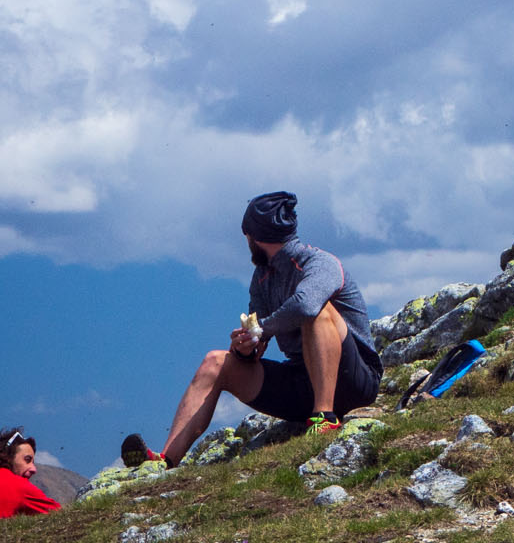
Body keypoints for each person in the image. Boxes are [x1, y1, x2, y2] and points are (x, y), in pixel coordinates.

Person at [123, 192, 383, 469]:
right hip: (301, 381)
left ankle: (324, 418)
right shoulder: (262, 279)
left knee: (316, 311)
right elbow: (259, 338)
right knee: (216, 361)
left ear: (253, 237)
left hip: (355, 381)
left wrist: (261, 328)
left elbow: (305, 307)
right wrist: (245, 348)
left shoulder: (319, 264)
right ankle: (165, 461)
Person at [0, 429, 60, 517]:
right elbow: (60, 513)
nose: (34, 469)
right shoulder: (18, 485)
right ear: (8, 457)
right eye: (27, 460)